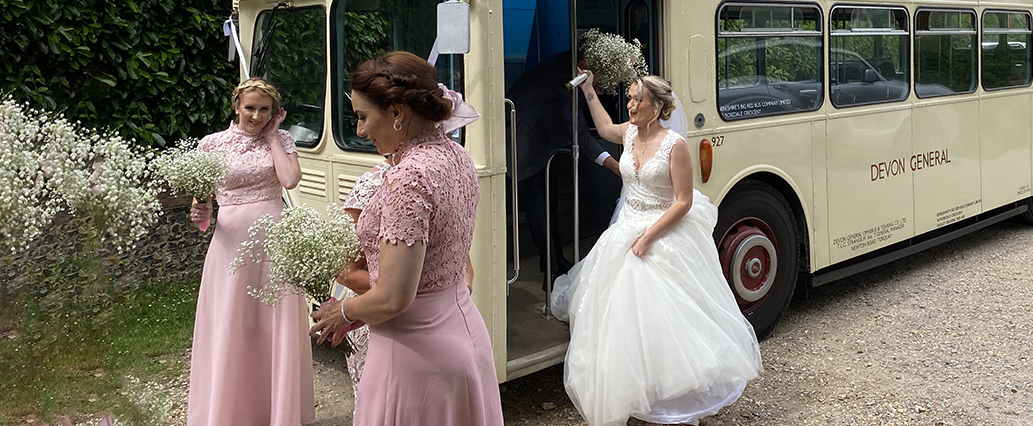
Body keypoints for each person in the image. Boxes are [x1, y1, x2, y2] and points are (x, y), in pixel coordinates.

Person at [309, 51, 502, 426]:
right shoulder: (457, 154)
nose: (361, 130)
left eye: (364, 117)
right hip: (462, 330)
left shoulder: (409, 179)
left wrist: (342, 312)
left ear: (397, 112)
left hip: (414, 353)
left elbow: (394, 297)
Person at [564, 72, 762, 426]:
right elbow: (605, 125)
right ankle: (636, 390)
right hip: (626, 227)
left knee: (666, 317)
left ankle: (674, 395)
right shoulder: (627, 133)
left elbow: (683, 202)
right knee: (618, 315)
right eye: (629, 98)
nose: (631, 105)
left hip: (661, 228)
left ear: (657, 106)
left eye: (638, 99)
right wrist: (590, 90)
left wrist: (648, 237)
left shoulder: (675, 145)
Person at [187, 77, 315, 426]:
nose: (256, 116)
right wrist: (200, 209)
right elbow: (202, 197)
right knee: (233, 319)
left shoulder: (282, 139)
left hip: (274, 240)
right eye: (250, 108)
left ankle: (277, 411)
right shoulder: (211, 144)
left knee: (274, 321)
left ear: (275, 112)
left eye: (264, 110)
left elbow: (289, 180)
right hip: (230, 242)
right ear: (236, 106)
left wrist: (273, 137)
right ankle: (229, 411)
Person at [506, 51, 615, 280]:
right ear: (584, 66)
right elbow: (580, 135)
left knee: (550, 205)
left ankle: (555, 260)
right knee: (541, 208)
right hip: (527, 144)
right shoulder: (566, 85)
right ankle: (551, 271)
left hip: (542, 141)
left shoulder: (565, 63)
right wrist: (614, 165)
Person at [334, 154, 391, 403]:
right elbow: (345, 270)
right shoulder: (370, 186)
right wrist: (408, 289)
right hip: (376, 316)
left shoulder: (443, 174)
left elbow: (464, 270)